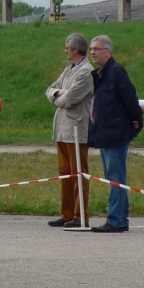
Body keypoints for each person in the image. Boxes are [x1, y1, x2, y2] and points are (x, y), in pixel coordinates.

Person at [87, 35, 143, 233]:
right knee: (113, 177)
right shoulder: (101, 74)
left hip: (116, 133)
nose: (92, 52)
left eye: (97, 49)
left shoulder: (117, 72)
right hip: (105, 133)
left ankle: (116, 220)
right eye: (91, 49)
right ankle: (120, 219)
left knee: (115, 178)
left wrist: (137, 123)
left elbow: (130, 99)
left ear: (107, 52)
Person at [44, 32, 93, 228]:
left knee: (78, 172)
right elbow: (50, 90)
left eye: (67, 47)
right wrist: (58, 93)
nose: (65, 50)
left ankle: (80, 215)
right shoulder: (69, 69)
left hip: (76, 129)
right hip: (62, 128)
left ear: (75, 49)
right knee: (64, 172)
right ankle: (66, 214)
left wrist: (59, 96)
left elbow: (71, 98)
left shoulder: (86, 71)